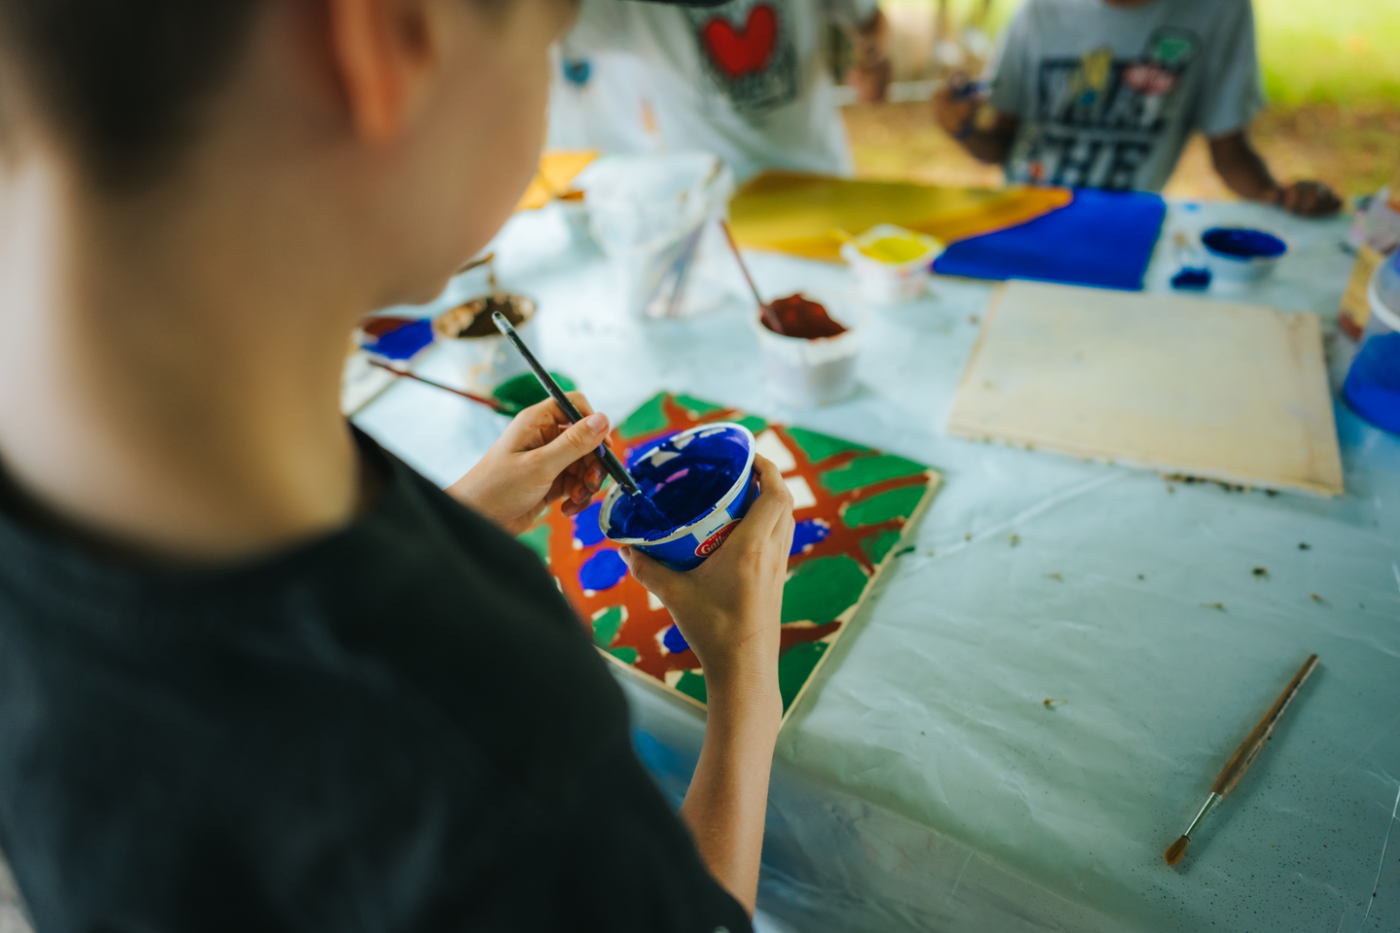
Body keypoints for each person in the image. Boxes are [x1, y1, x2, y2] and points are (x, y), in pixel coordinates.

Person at [0, 0, 795, 929]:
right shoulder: (480, 724)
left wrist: (459, 514)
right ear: (388, 41)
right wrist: (744, 679)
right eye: (548, 43)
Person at [932, 0, 1341, 216]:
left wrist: (1278, 198)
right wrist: (963, 129)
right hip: (1027, 216)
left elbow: (1230, 151)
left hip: (1126, 226)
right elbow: (1003, 144)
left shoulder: (1216, 10)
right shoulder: (1039, 11)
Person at [553, 0, 892, 180]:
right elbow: (538, 24)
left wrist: (874, 59)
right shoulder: (628, 7)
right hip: (709, 199)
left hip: (816, 177)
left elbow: (868, 19)